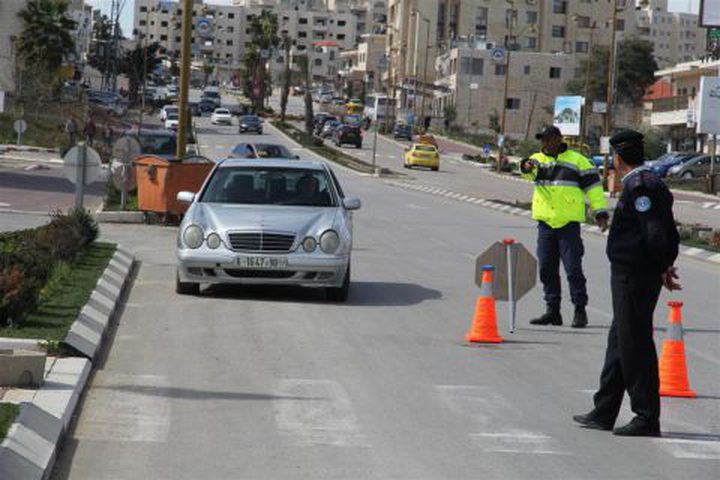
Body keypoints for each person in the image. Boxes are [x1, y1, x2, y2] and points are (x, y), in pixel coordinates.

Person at [574, 129, 680, 437]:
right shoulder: (640, 183)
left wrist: (662, 266)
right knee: (620, 342)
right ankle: (604, 410)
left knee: (635, 346)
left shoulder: (641, 186)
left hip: (635, 274)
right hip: (631, 272)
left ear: (617, 159)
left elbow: (656, 234)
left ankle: (646, 416)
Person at [520, 126, 609, 328]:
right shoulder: (537, 159)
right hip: (545, 224)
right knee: (546, 269)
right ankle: (553, 311)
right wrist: (525, 167)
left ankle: (580, 310)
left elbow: (594, 189)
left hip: (568, 225)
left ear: (559, 139)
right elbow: (528, 171)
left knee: (573, 269)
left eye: (549, 139)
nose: (545, 143)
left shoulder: (577, 161)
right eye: (542, 139)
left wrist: (601, 213)